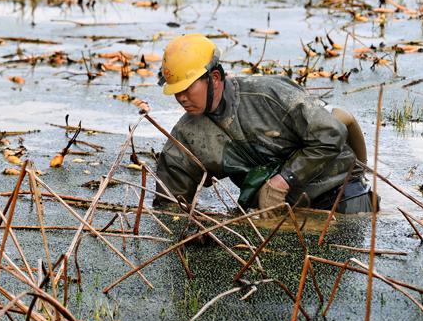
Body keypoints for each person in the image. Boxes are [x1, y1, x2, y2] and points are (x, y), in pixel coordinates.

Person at [154, 34, 376, 217]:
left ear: (214, 77)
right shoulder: (186, 136)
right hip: (278, 211)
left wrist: (284, 180)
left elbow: (332, 133)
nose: (181, 98)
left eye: (187, 88)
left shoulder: (267, 95)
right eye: (176, 91)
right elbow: (170, 202)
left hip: (338, 192)